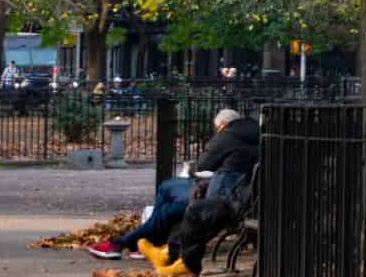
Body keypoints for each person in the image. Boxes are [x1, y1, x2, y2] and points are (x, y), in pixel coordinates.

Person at [90, 108, 259, 262]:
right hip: (238, 195)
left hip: (218, 198)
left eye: (217, 129)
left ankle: (124, 243)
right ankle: (139, 243)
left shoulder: (227, 135)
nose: (217, 132)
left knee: (167, 196)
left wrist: (194, 168)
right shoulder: (257, 135)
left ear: (222, 125)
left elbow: (203, 164)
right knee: (168, 203)